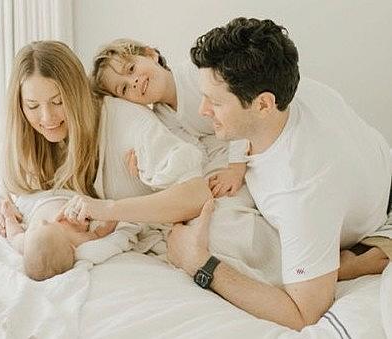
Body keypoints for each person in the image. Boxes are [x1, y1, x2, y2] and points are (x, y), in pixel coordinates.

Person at [166, 17, 392, 330]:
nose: (203, 110)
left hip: (376, 218)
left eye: (216, 102)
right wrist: (236, 163)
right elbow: (241, 129)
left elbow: (303, 314)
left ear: (263, 104)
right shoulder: (285, 89)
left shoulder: (301, 190)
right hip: (368, 166)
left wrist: (199, 263)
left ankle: (363, 259)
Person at [0, 40, 211, 244]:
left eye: (57, 102)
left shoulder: (127, 121)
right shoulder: (31, 140)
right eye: (33, 106)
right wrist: (4, 209)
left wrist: (109, 209)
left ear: (77, 94)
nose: (47, 118)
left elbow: (196, 195)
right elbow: (23, 192)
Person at [90, 38, 250, 198]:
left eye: (131, 69)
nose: (133, 82)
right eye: (124, 88)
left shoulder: (196, 73)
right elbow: (197, 158)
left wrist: (236, 168)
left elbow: (241, 108)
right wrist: (146, 168)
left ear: (151, 54)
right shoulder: (163, 119)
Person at [0, 190, 117, 281]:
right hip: (70, 196)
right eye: (49, 224)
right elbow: (98, 234)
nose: (42, 222)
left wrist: (9, 218)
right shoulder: (75, 239)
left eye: (34, 229)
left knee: (22, 197)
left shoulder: (25, 244)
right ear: (71, 247)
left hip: (38, 200)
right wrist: (112, 216)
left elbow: (14, 235)